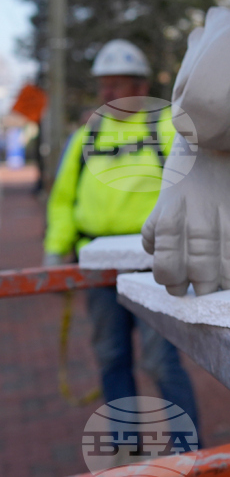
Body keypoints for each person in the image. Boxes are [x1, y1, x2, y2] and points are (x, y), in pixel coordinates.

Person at [44, 39, 199, 433]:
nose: (108, 93)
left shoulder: (167, 127)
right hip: (96, 266)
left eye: (118, 84)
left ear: (142, 85)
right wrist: (54, 250)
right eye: (104, 85)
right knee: (111, 357)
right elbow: (63, 199)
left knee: (161, 361)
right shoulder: (84, 138)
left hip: (153, 266)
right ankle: (125, 446)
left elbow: (194, 189)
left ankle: (191, 453)